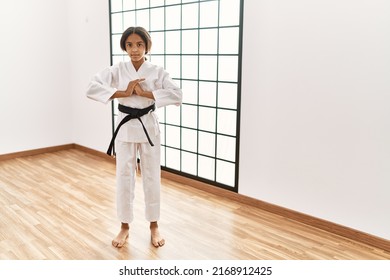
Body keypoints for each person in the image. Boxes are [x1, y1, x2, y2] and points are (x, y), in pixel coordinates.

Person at [86, 26, 182, 248]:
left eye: (139, 44)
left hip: (148, 127)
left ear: (147, 46)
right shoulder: (118, 69)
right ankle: (124, 226)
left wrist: (146, 93)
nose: (134, 49)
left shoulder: (157, 71)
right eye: (129, 45)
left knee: (151, 176)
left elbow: (177, 94)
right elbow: (91, 88)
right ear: (124, 47)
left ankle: (154, 225)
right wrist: (124, 93)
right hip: (125, 127)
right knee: (124, 177)